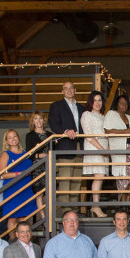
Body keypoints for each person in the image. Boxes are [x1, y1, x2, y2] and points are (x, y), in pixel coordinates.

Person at [47, 82, 86, 211]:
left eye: (71, 88)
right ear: (62, 91)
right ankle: (65, 210)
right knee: (65, 179)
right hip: (65, 146)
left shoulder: (81, 108)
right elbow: (53, 124)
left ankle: (73, 209)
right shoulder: (57, 106)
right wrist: (65, 131)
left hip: (79, 145)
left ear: (75, 90)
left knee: (76, 179)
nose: (69, 90)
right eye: (66, 88)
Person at [0, 129, 37, 237]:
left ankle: (24, 240)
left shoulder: (26, 152)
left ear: (18, 138)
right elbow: (2, 174)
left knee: (25, 217)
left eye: (14, 136)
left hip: (26, 187)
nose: (13, 139)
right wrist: (18, 174)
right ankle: (13, 242)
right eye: (10, 138)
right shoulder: (5, 154)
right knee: (12, 217)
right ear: (6, 141)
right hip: (12, 188)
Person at [104, 94, 130, 201]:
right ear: (117, 104)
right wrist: (126, 131)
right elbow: (107, 130)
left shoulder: (129, 118)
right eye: (121, 103)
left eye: (126, 103)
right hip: (121, 152)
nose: (124, 105)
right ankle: (123, 207)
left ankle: (127, 206)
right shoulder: (111, 114)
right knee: (123, 180)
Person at [81, 91, 109, 218]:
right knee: (99, 175)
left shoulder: (104, 116)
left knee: (101, 176)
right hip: (94, 146)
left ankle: (96, 205)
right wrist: (101, 149)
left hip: (103, 147)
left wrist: (107, 149)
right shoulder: (87, 115)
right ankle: (95, 206)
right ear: (90, 102)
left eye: (100, 100)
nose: (98, 103)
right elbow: (88, 135)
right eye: (95, 100)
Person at [25, 111, 52, 218]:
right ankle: (43, 217)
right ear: (33, 122)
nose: (38, 121)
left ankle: (50, 215)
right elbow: (29, 153)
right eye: (35, 119)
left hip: (49, 165)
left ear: (43, 120)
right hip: (37, 167)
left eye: (40, 118)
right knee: (39, 193)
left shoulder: (51, 135)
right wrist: (42, 156)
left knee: (50, 193)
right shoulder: (30, 135)